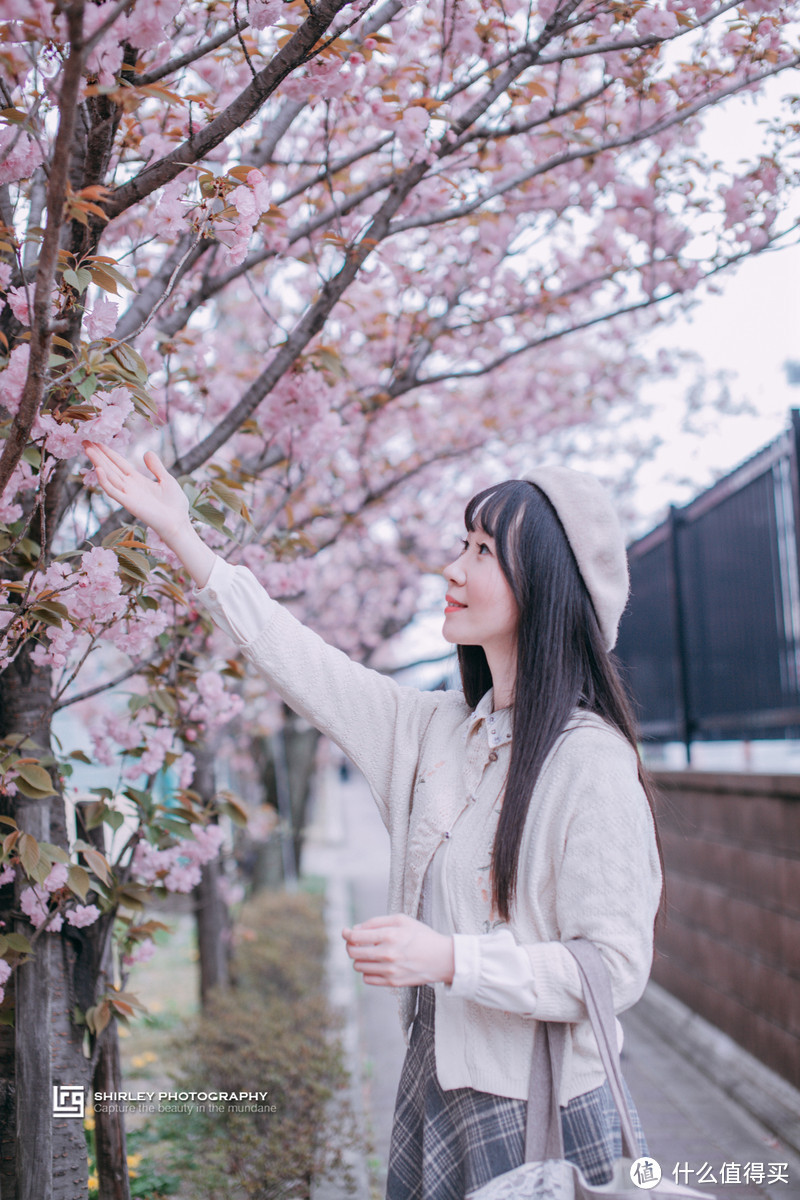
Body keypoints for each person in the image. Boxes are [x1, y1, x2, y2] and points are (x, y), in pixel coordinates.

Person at [83, 441, 662, 1199]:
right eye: (463, 543)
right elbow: (298, 658)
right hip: (434, 1089)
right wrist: (182, 536)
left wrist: (451, 959)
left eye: (482, 551)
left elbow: (614, 967)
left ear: (546, 588)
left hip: (543, 1110)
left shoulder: (590, 762)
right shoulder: (434, 732)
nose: (453, 568)